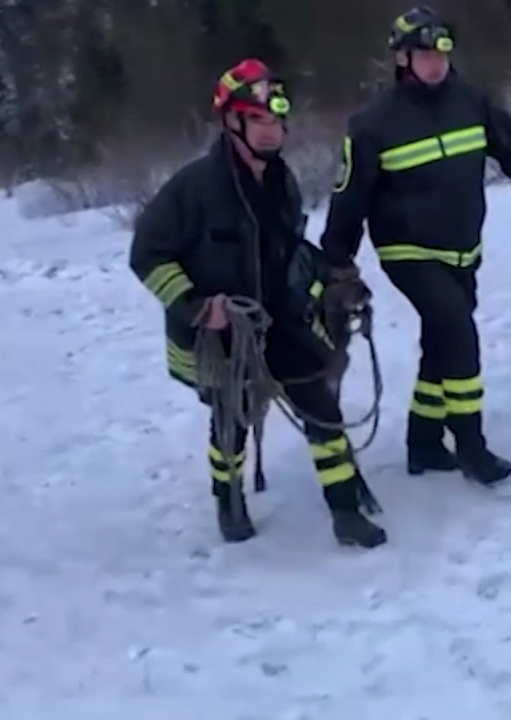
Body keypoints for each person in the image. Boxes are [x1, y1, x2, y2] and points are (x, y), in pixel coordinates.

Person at [129, 59, 387, 548]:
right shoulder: (195, 188)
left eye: (275, 121)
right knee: (233, 421)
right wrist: (197, 306)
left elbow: (286, 249)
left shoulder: (282, 183)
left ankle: (346, 511)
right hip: (220, 333)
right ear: (232, 123)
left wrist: (333, 277)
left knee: (321, 407)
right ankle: (228, 499)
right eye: (258, 121)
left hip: (280, 318)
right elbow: (147, 253)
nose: (271, 132)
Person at [318, 6, 511, 486]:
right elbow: (350, 197)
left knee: (441, 340)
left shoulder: (473, 102)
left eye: (442, 52)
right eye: (425, 54)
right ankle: (471, 446)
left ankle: (424, 443)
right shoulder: (373, 124)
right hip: (408, 252)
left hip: (463, 250)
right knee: (458, 332)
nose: (435, 62)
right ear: (403, 58)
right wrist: (336, 260)